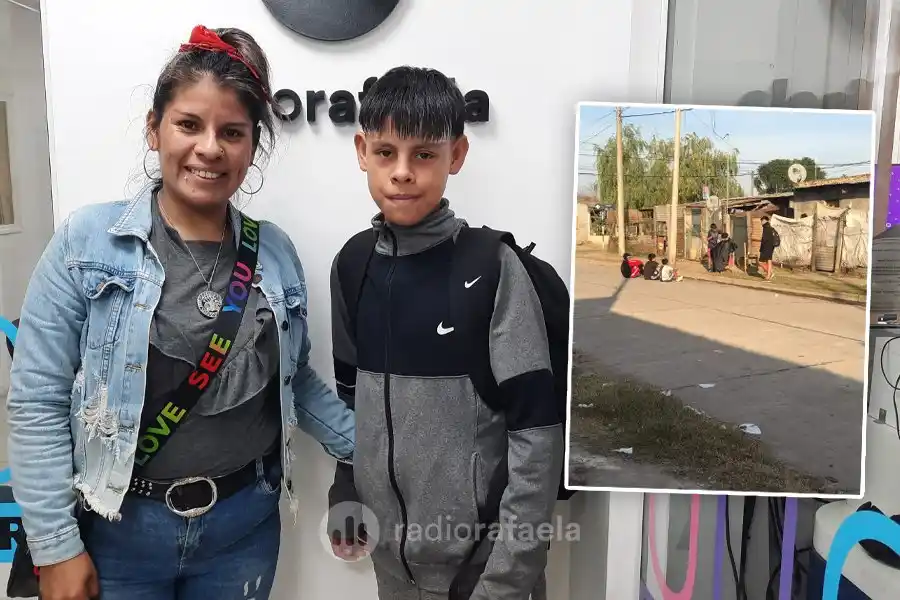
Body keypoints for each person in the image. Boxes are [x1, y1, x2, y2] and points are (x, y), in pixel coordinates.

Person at [6, 25, 355, 600]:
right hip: (117, 534)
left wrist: (377, 453)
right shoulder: (86, 245)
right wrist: (55, 545)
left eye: (233, 132)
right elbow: (37, 400)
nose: (210, 148)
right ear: (154, 129)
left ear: (252, 145)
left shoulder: (275, 253)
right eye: (189, 124)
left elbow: (298, 383)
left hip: (243, 530)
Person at [326, 66, 564, 600]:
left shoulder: (494, 268)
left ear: (456, 156)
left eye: (424, 155)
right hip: (393, 573)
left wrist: (505, 578)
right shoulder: (353, 265)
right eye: (386, 152)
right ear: (362, 150)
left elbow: (536, 436)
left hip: (484, 575)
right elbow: (350, 403)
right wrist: (346, 488)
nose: (402, 172)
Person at [759, 216, 777, 280]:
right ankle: (770, 273)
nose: (761, 222)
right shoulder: (770, 227)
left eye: (762, 221)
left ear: (765, 220)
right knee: (769, 261)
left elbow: (764, 239)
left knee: (761, 262)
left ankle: (769, 274)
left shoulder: (766, 228)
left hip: (766, 247)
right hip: (771, 246)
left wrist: (761, 248)